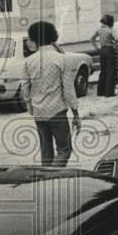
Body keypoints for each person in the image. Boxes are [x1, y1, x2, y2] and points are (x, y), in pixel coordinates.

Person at [21, 21, 81, 166]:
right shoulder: (62, 59)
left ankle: (45, 179)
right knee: (64, 150)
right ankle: (49, 177)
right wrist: (75, 113)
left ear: (34, 38)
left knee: (46, 152)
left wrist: (31, 107)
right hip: (57, 111)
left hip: (38, 112)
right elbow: (68, 89)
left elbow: (25, 87)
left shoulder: (28, 61)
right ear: (53, 36)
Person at [91, 14, 118, 97]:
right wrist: (114, 45)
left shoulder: (99, 30)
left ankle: (101, 91)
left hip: (102, 50)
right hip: (109, 50)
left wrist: (96, 48)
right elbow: (117, 39)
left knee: (103, 71)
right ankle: (109, 92)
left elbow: (92, 39)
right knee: (110, 71)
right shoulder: (110, 29)